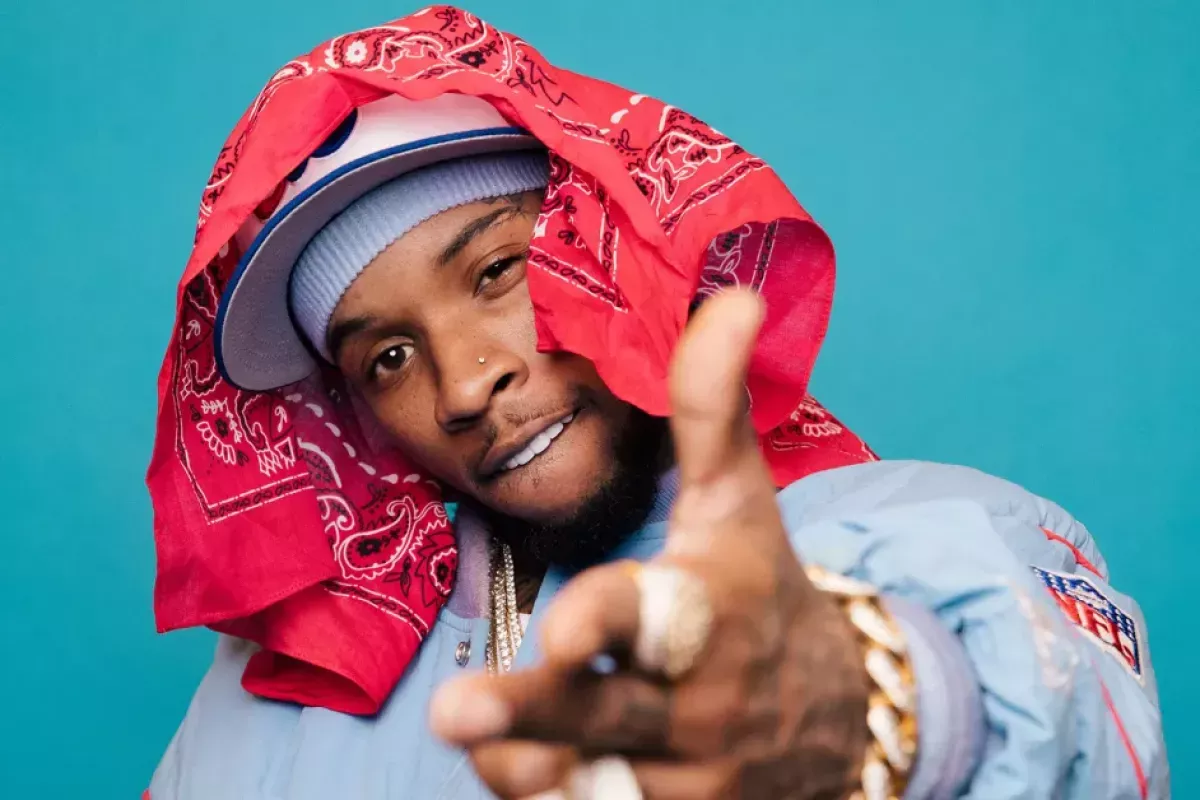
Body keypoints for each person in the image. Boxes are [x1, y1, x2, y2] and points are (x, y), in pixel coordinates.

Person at [145, 6, 1168, 799]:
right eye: (391, 357)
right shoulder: (268, 694)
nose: (462, 384)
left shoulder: (925, 529)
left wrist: (862, 701)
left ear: (605, 250)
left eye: (497, 271)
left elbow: (1063, 702)